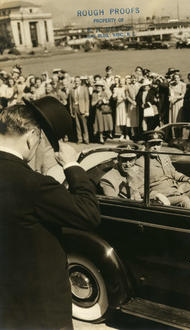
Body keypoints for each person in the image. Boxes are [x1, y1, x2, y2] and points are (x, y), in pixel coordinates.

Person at [0, 96, 100, 329]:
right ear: (32, 136)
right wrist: (72, 166)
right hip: (39, 309)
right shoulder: (34, 185)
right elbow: (89, 214)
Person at [136, 131, 190, 210]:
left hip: (177, 188)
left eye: (158, 144)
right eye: (152, 144)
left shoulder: (164, 156)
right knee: (185, 201)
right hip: (163, 196)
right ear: (146, 145)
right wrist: (155, 195)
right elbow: (139, 189)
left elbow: (173, 173)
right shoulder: (141, 163)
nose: (155, 147)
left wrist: (188, 179)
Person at [100, 144, 170, 205]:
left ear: (135, 159)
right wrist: (130, 182)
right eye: (124, 160)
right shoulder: (108, 180)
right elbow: (115, 205)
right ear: (118, 159)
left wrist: (156, 195)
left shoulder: (137, 170)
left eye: (131, 160)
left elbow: (141, 189)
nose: (128, 164)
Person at [69, 76, 90, 144]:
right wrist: (71, 111)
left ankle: (86, 139)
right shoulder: (72, 90)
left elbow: (87, 100)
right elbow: (70, 102)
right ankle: (79, 139)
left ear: (80, 81)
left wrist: (87, 110)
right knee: (77, 125)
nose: (76, 82)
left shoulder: (84, 89)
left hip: (82, 109)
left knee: (84, 125)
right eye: (75, 81)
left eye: (78, 81)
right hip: (75, 108)